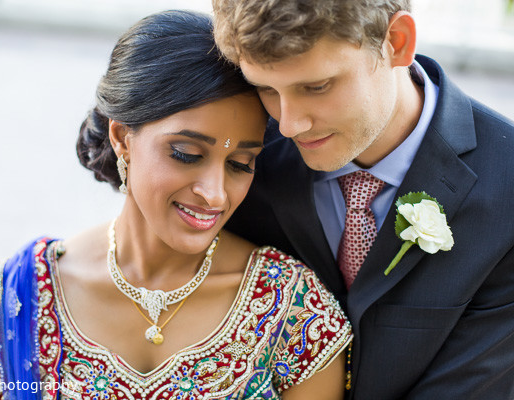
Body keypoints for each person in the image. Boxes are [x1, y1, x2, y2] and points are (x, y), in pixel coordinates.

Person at [0, 10, 352, 400]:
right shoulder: (13, 298)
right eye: (185, 154)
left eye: (240, 164)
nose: (215, 194)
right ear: (122, 138)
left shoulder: (295, 314)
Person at [212, 0, 514, 399]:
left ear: (396, 41)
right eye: (266, 89)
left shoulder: (507, 185)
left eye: (316, 86)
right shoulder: (244, 160)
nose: (289, 124)